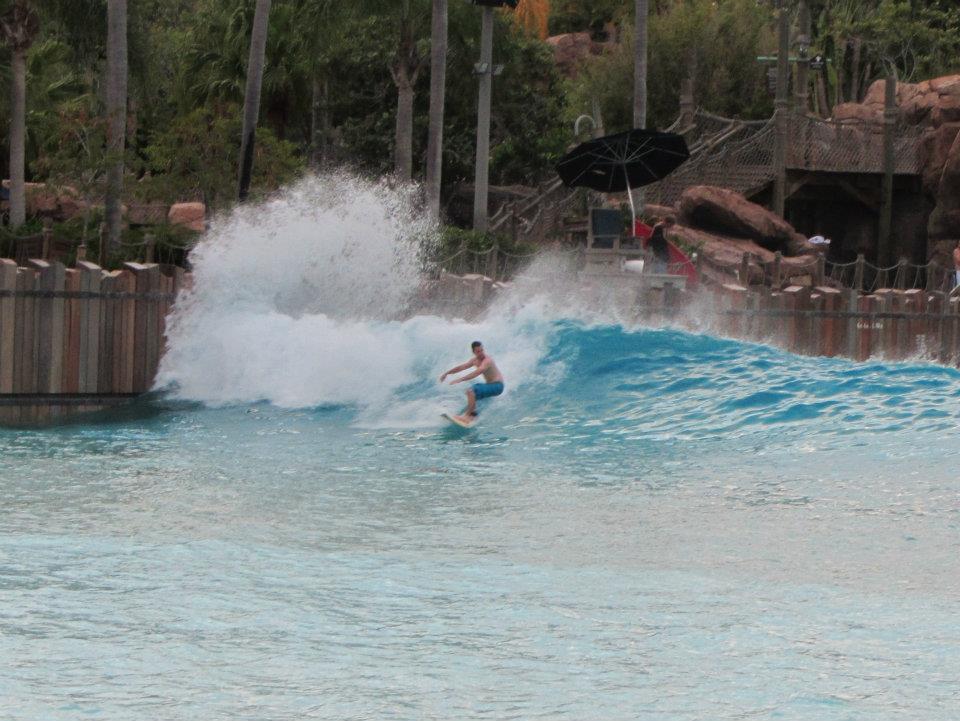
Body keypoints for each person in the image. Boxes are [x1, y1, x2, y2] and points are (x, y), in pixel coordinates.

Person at [439, 341, 504, 421]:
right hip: (490, 385)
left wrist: (461, 379)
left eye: (482, 350)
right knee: (472, 396)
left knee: (471, 391)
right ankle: (473, 414)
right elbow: (461, 367)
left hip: (497, 386)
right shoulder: (474, 361)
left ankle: (468, 416)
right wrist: (447, 373)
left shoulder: (487, 360)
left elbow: (478, 371)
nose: (481, 353)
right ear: (474, 352)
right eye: (478, 351)